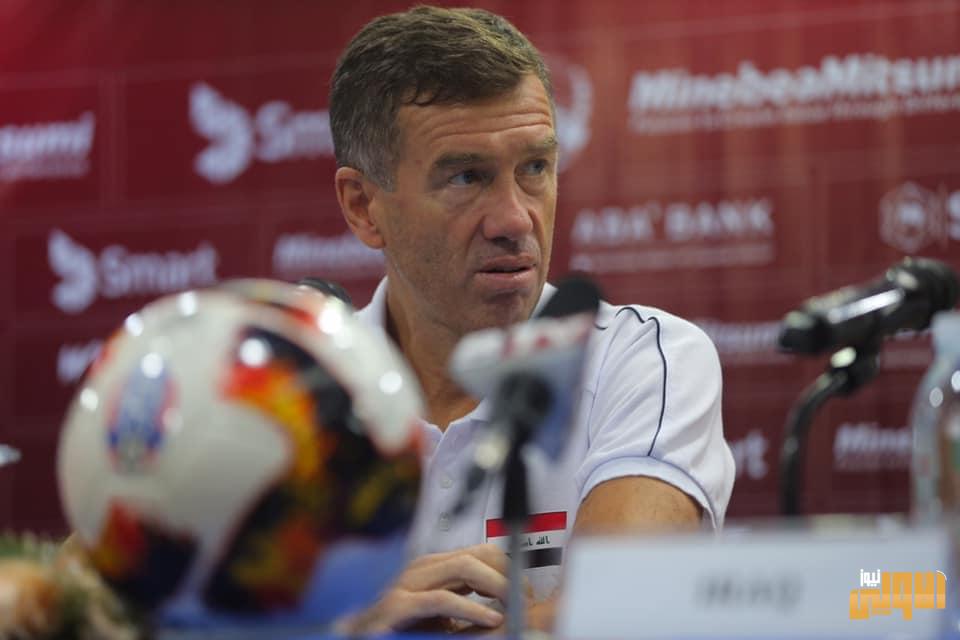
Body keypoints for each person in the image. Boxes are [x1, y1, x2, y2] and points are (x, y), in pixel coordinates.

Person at [329, 5, 735, 634]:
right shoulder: (291, 395)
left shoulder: (642, 360)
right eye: (466, 177)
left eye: (535, 169)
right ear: (363, 207)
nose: (515, 219)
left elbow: (616, 617)